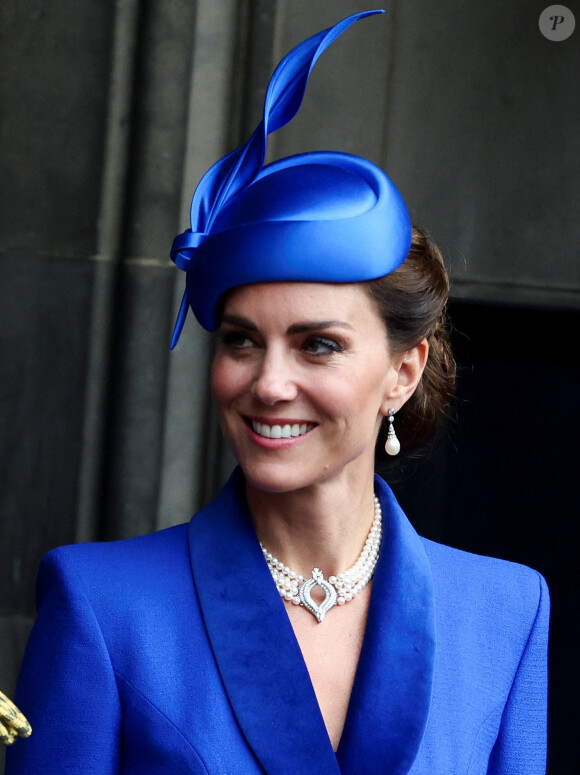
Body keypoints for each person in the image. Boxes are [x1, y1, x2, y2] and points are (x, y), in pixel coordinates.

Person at [7, 10, 549, 774]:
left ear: (404, 369)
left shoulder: (506, 612)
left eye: (317, 344)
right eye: (241, 340)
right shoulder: (105, 604)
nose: (268, 382)